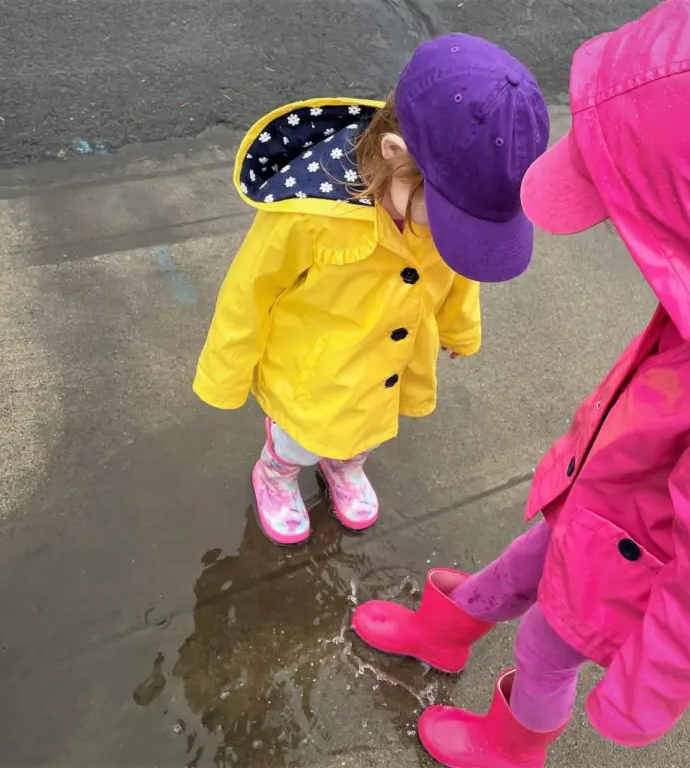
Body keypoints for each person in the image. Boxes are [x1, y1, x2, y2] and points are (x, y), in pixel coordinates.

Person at [351, 0, 690, 765]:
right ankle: (445, 630)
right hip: (603, 507)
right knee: (522, 562)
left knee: (544, 648)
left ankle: (513, 748)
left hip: (632, 561)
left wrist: (646, 690)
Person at [193, 35, 549, 545]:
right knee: (301, 436)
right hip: (317, 369)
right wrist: (225, 373)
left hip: (388, 363)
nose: (451, 234)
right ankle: (277, 472)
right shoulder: (309, 215)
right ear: (393, 155)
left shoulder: (444, 211)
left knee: (366, 431)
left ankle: (344, 464)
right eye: (449, 219)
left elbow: (461, 270)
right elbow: (249, 291)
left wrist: (459, 330)